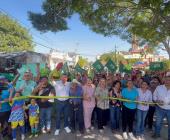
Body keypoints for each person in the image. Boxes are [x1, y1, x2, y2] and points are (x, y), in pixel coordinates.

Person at [152, 74, 170, 140]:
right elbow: (154, 96)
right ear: (164, 80)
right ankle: (157, 135)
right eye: (167, 80)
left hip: (169, 110)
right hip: (159, 109)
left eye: (169, 80)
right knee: (158, 123)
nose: (168, 81)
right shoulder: (159, 87)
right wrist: (157, 101)